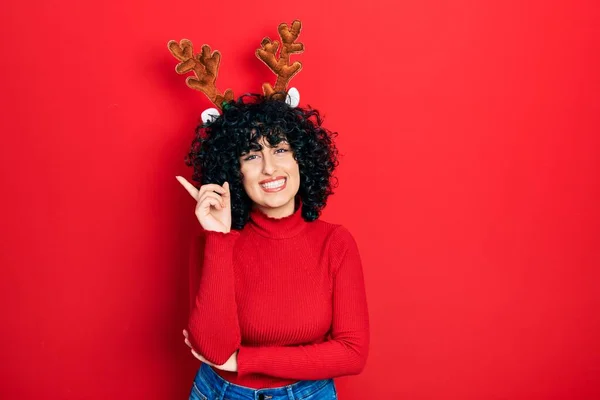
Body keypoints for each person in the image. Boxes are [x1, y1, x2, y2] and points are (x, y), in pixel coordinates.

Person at [176, 92, 369, 400]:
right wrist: (219, 238)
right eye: (251, 155)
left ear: (300, 158)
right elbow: (213, 351)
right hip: (221, 393)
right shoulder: (211, 241)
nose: (269, 168)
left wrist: (245, 361)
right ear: (233, 170)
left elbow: (352, 353)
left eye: (280, 149)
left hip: (310, 393)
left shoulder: (335, 242)